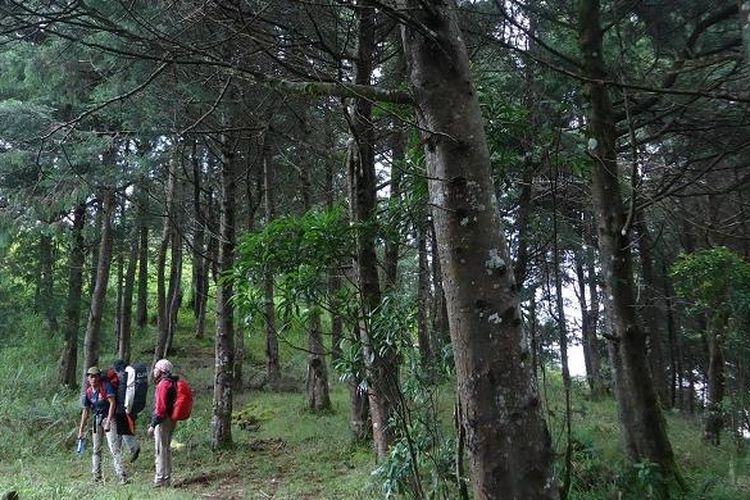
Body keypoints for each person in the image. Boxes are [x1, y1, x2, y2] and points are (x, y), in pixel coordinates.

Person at [77, 366, 128, 485]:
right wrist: (81, 430)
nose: (93, 379)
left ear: (99, 377)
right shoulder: (89, 392)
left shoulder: (106, 386)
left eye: (95, 376)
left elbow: (112, 403)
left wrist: (109, 421)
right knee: (96, 449)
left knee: (114, 448)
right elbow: (86, 411)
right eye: (90, 376)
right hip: (97, 420)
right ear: (87, 378)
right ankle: (96, 476)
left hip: (108, 418)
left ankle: (122, 476)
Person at [148, 358, 177, 487]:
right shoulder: (172, 383)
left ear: (162, 371)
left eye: (156, 368)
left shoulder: (163, 385)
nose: (154, 371)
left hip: (163, 421)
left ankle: (160, 480)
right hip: (171, 419)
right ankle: (166, 478)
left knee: (160, 450)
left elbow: (160, 408)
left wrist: (153, 425)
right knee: (166, 449)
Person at [112, 359, 141, 462]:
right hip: (128, 408)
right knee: (122, 431)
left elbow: (128, 392)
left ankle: (133, 447)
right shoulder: (129, 375)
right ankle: (125, 452)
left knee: (123, 430)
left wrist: (126, 408)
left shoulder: (124, 377)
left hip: (122, 409)